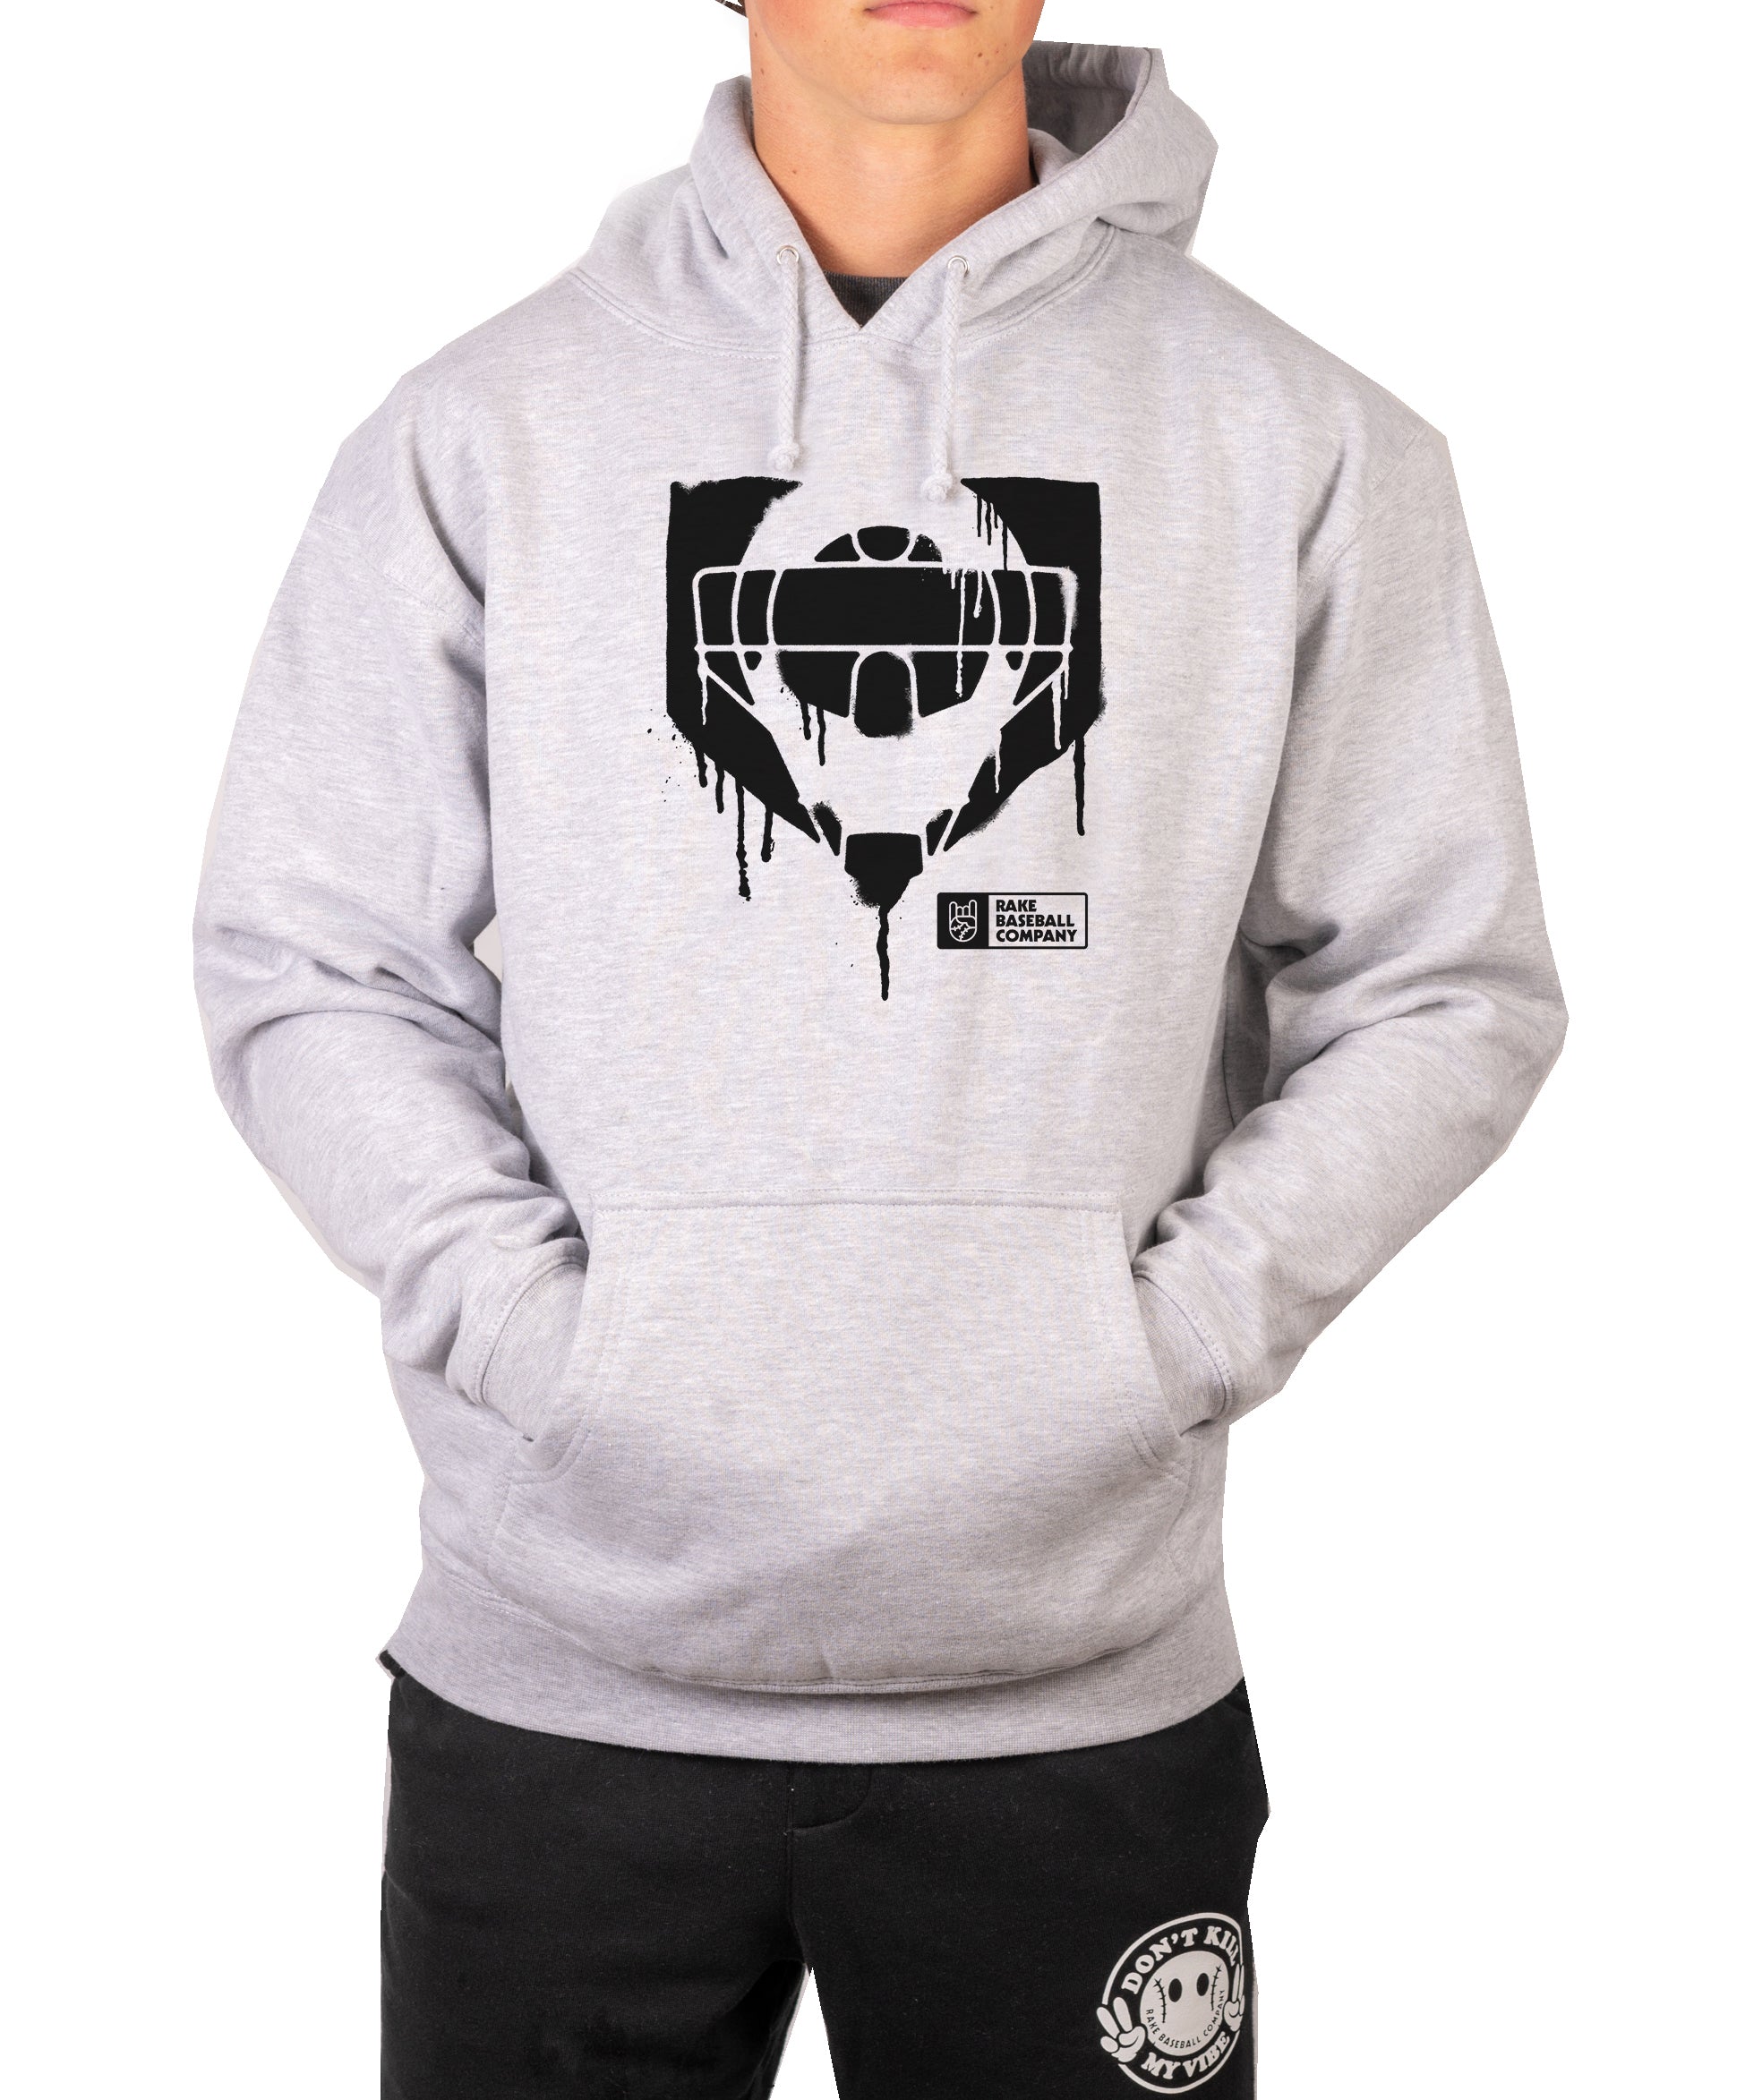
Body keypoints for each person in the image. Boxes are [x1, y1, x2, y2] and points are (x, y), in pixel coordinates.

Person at [193, 3, 1565, 2093]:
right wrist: (538, 1334)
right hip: (562, 1687)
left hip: (1077, 1701)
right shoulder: (484, 429)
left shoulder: (1301, 438)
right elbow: (311, 959)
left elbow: (1445, 985)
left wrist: (1173, 1338)